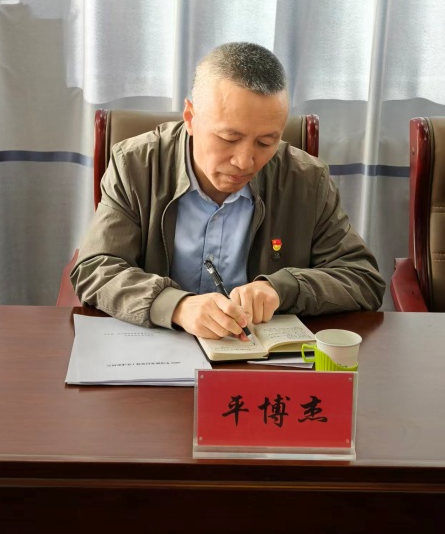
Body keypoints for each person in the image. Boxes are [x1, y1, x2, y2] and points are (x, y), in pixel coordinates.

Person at [71, 42, 385, 341]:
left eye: (265, 142)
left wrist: (283, 288)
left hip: (257, 360)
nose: (245, 161)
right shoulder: (136, 165)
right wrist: (176, 306)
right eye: (229, 138)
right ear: (190, 118)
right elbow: (96, 268)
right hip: (160, 350)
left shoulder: (306, 180)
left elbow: (362, 278)